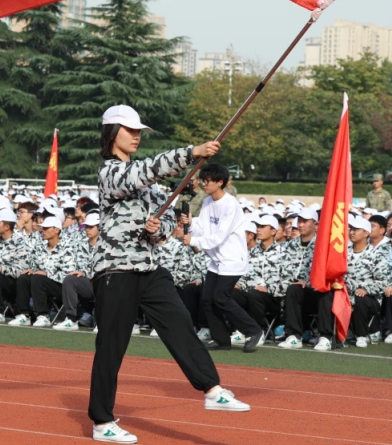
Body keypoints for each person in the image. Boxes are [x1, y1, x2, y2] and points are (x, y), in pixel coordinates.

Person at [88, 105, 247, 444]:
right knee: (111, 347)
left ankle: (211, 389)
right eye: (130, 130)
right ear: (112, 133)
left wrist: (156, 229)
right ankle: (102, 422)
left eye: (139, 131)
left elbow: (166, 226)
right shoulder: (110, 172)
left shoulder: (149, 188)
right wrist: (192, 152)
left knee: (179, 321)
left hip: (148, 268)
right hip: (115, 270)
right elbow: (144, 172)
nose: (136, 136)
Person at [184, 163, 261, 353]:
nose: (204, 184)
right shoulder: (208, 201)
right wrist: (191, 223)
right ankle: (221, 339)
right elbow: (203, 227)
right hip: (216, 261)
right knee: (207, 300)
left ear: (220, 182)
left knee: (221, 298)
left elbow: (219, 236)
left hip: (232, 260)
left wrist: (193, 240)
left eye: (208, 181)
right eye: (203, 180)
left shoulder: (230, 205)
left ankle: (252, 330)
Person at [277, 208, 319, 350]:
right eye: (299, 221)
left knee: (296, 289)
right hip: (292, 291)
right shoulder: (290, 245)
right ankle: (294, 336)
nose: (300, 224)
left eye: (305, 221)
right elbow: (283, 270)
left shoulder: (321, 246)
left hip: (314, 292)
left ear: (315, 224)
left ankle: (321, 334)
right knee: (293, 289)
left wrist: (308, 283)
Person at [344, 216, 388, 348]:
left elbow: (383, 282)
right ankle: (326, 335)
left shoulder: (376, 254)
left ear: (366, 233)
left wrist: (366, 289)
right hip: (345, 293)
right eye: (351, 229)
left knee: (360, 297)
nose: (352, 232)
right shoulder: (344, 252)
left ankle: (361, 335)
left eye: (356, 229)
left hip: (370, 298)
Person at [0, 208, 29, 324]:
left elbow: (21, 269)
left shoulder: (20, 242)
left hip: (13, 281)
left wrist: (0, 268)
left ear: (7, 227)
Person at [55, 211, 101, 331]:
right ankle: (71, 319)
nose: (87, 229)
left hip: (101, 281)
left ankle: (102, 322)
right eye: (87, 226)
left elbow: (104, 268)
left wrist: (85, 273)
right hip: (86, 283)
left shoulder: (106, 246)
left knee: (103, 282)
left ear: (99, 228)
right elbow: (73, 262)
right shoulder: (80, 244)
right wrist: (77, 272)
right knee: (70, 279)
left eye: (91, 227)